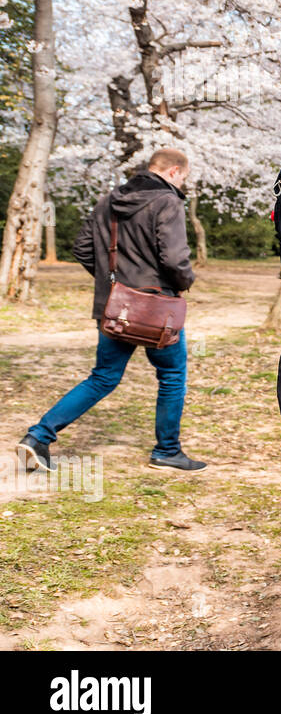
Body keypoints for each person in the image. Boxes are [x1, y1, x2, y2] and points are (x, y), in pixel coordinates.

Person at [16, 149, 202, 473]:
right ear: (174, 171)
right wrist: (186, 280)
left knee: (102, 378)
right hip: (157, 311)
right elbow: (174, 259)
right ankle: (167, 451)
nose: (182, 182)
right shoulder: (168, 201)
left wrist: (116, 287)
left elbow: (82, 249)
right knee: (172, 376)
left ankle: (38, 436)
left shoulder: (109, 200)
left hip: (115, 309)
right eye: (183, 177)